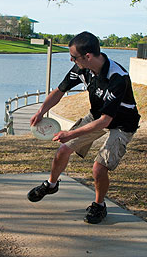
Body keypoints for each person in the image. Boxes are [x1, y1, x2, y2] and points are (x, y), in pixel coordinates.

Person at [27, 31, 140, 224]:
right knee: (63, 150)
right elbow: (59, 91)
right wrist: (41, 111)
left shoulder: (117, 77)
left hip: (121, 123)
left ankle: (99, 205)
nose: (71, 59)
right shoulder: (82, 69)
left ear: (87, 56)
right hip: (97, 115)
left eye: (74, 57)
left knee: (99, 168)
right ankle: (51, 185)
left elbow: (105, 121)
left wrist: (70, 133)